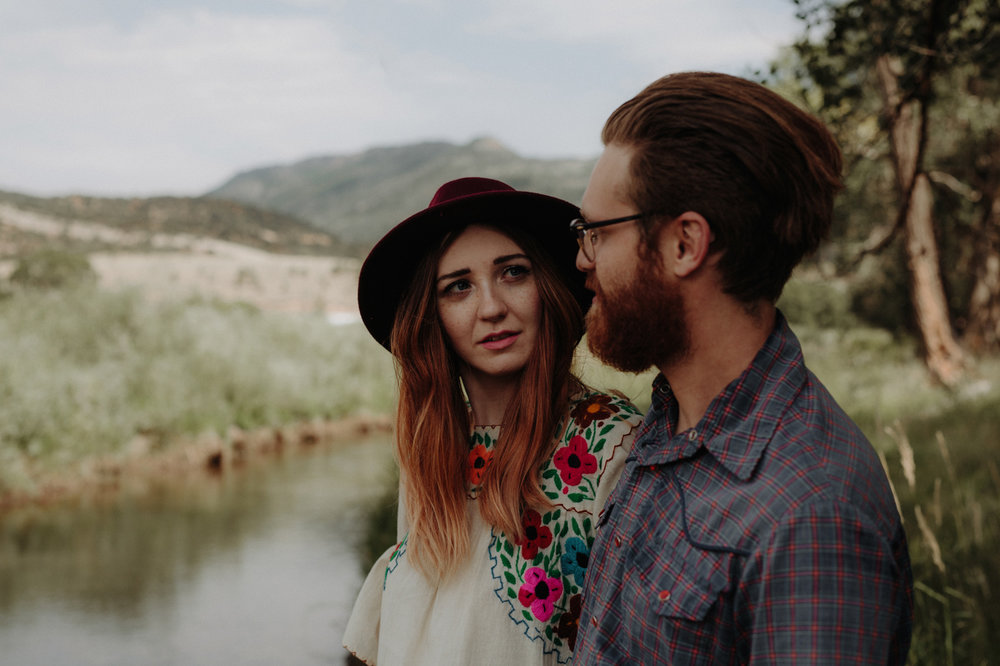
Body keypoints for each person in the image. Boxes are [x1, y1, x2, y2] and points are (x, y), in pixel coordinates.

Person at [571, 72, 914, 664]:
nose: (581, 257)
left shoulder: (813, 520)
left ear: (685, 244)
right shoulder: (672, 421)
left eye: (597, 233)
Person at [342, 177, 643, 665]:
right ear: (430, 315)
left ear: (546, 285)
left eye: (513, 273)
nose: (492, 307)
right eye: (458, 286)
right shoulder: (432, 451)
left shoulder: (611, 442)